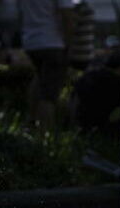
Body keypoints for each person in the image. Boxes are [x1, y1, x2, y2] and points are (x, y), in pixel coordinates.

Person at [19, 0, 75, 129]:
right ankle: (46, 134)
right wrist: (69, 44)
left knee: (39, 79)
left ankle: (31, 122)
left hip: (31, 41)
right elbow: (67, 16)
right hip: (52, 42)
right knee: (49, 94)